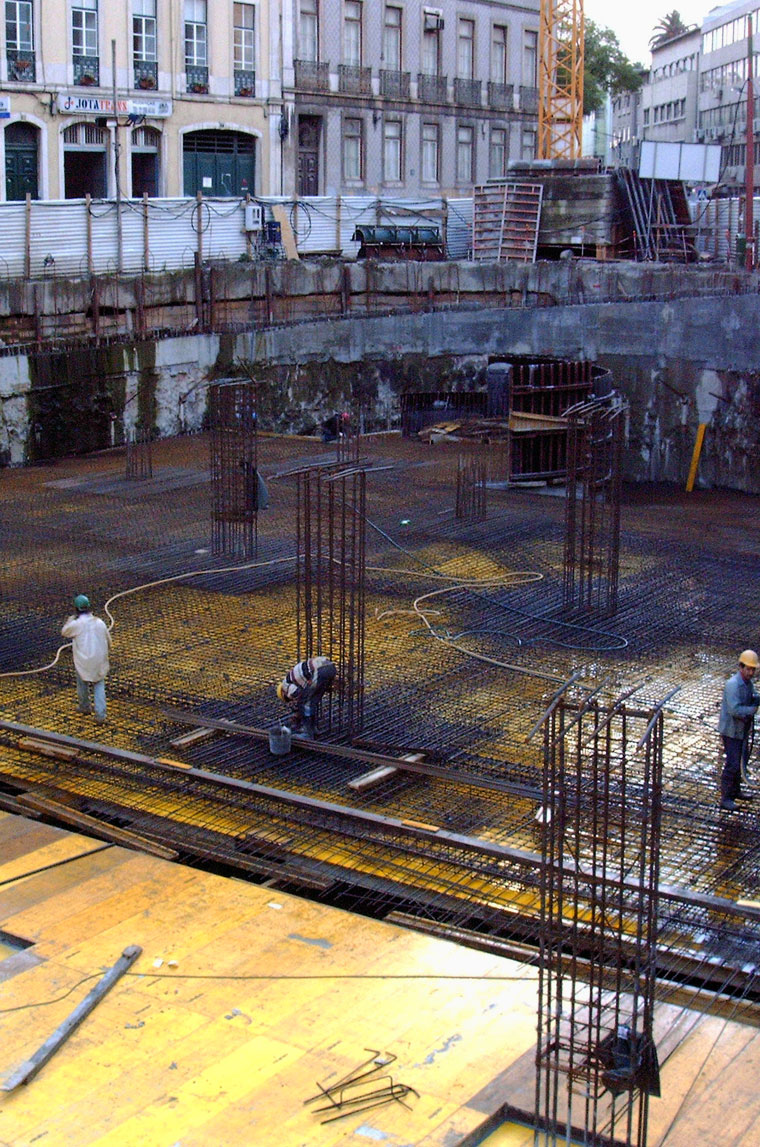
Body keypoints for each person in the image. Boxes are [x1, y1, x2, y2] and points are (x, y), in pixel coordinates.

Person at [718, 649, 760, 810]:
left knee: (742, 761)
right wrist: (752, 710)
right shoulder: (732, 685)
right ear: (740, 667)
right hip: (731, 731)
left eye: (753, 669)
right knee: (733, 764)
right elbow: (734, 710)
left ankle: (736, 791)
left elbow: (754, 696)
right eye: (748, 669)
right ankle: (726, 798)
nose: (751, 672)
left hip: (741, 730)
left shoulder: (748, 684)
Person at [61, 594, 112, 725]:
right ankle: (100, 715)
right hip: (99, 659)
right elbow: (108, 640)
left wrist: (70, 620)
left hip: (83, 660)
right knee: (99, 684)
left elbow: (65, 632)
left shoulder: (77, 624)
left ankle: (84, 707)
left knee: (82, 683)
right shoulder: (99, 622)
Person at [276, 655, 336, 739]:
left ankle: (307, 733)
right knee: (312, 702)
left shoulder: (286, 686)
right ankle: (313, 729)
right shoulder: (293, 678)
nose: (290, 699)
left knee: (304, 704)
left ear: (283, 693)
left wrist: (297, 712)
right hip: (330, 667)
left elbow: (298, 694)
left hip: (320, 670)